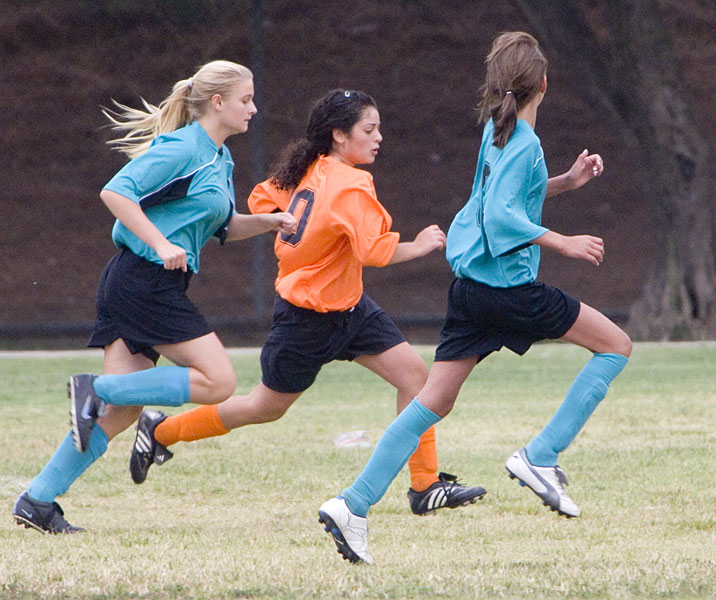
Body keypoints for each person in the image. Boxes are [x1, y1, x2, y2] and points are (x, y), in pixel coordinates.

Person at [318, 32, 633, 564]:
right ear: (544, 84)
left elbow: (505, 197)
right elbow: (501, 216)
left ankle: (352, 503)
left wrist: (566, 182)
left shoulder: (498, 128)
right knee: (615, 346)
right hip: (507, 291)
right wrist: (563, 241)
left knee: (432, 402)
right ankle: (541, 455)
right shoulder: (522, 139)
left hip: (470, 289)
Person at [128, 89, 486, 517]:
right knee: (264, 407)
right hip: (305, 320)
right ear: (339, 135)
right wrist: (419, 245)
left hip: (350, 308)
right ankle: (162, 430)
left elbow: (263, 199)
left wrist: (308, 229)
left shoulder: (311, 168)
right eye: (369, 130)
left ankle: (425, 486)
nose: (378, 138)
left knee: (415, 378)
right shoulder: (351, 183)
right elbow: (374, 252)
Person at [12, 60, 297, 535]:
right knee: (218, 382)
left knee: (121, 413)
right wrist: (162, 244)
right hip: (142, 282)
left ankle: (37, 500)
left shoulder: (219, 157)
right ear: (217, 102)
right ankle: (95, 388)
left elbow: (221, 226)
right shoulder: (184, 147)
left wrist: (267, 223)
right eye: (246, 99)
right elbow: (116, 192)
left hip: (146, 283)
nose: (254, 108)